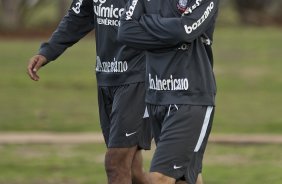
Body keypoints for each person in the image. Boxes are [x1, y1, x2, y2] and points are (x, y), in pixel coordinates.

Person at [26, 0, 152, 183]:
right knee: (133, 171)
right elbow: (78, 15)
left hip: (138, 79)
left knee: (115, 162)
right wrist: (48, 51)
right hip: (106, 77)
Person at [118, 0, 219, 183]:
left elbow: (184, 30)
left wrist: (146, 21)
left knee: (160, 177)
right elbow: (125, 31)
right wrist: (170, 30)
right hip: (156, 95)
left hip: (190, 98)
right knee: (186, 177)